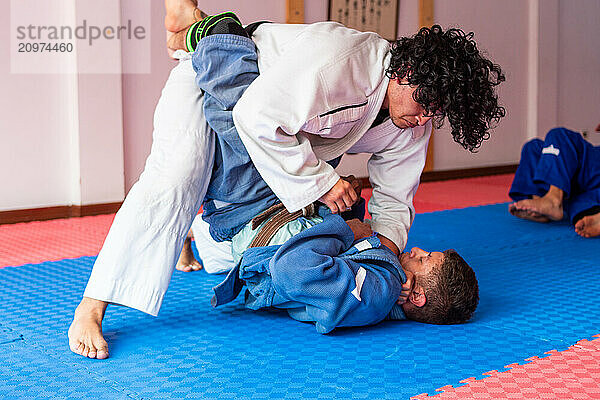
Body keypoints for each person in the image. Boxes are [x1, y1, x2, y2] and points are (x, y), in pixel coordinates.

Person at [68, 2, 502, 359]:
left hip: (275, 140)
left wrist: (380, 258)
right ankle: (93, 306)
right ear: (407, 73)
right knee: (178, 177)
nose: (425, 118)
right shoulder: (343, 61)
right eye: (425, 102)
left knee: (241, 249)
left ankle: (193, 230)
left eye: (437, 113)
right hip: (229, 79)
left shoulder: (413, 124)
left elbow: (393, 200)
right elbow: (252, 115)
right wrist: (323, 185)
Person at [212, 213, 478, 333]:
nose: (417, 249)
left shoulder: (376, 294)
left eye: (424, 259)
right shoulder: (385, 288)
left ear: (417, 295)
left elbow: (290, 269)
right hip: (269, 242)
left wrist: (347, 230)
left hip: (261, 247)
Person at [509, 127, 600, 238]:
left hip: (591, 173)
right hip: (581, 187)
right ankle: (539, 202)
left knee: (558, 135)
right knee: (533, 147)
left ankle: (553, 200)